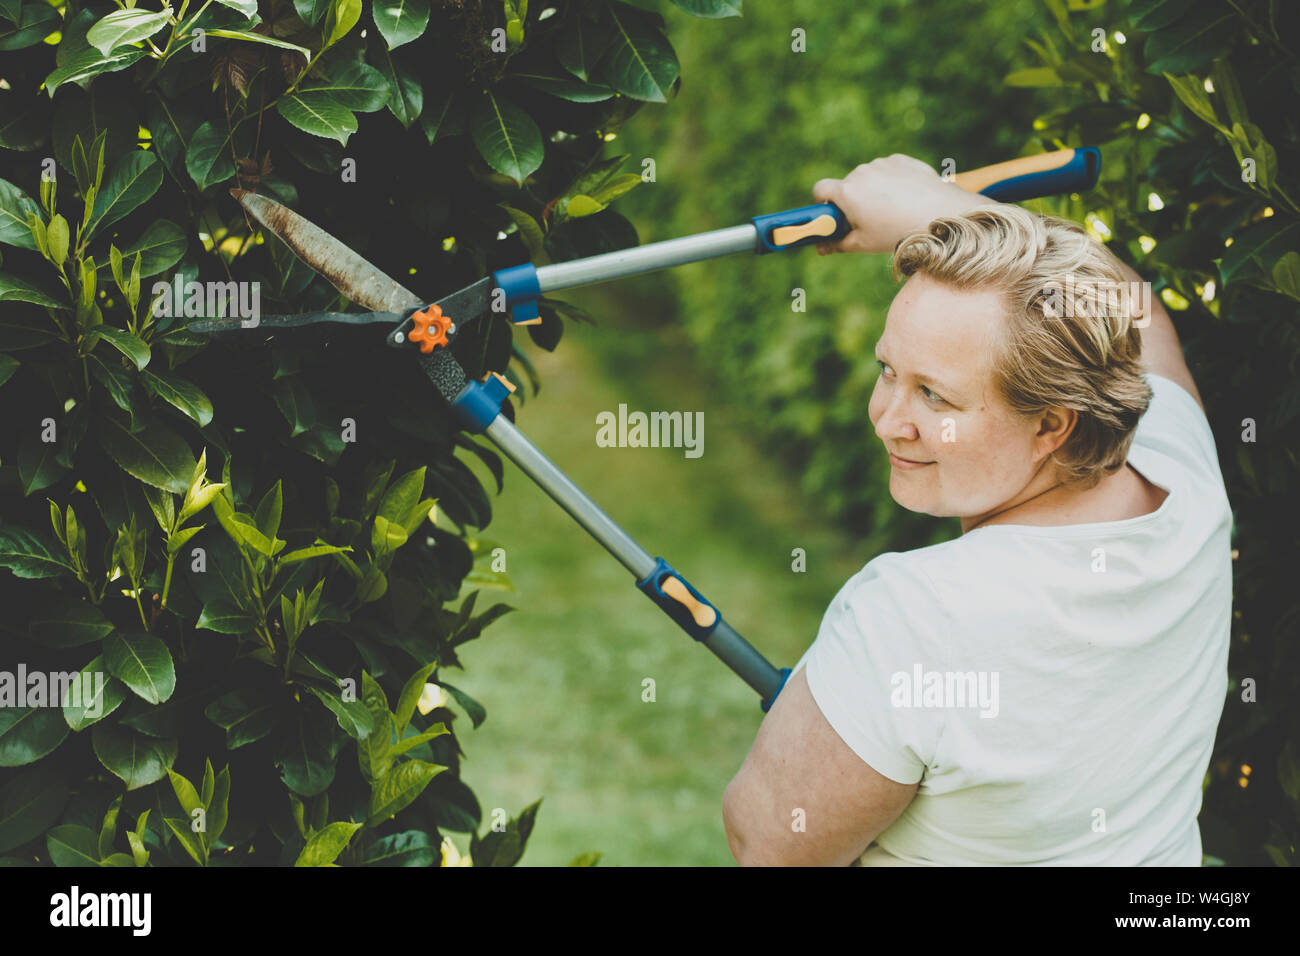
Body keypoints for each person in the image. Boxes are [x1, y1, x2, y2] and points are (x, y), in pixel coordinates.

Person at [721, 155, 1233, 866]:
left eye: (935, 395)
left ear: (1052, 425)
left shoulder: (911, 618)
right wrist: (933, 205)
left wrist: (938, 202)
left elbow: (768, 842)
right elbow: (1137, 311)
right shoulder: (1184, 479)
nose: (887, 420)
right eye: (888, 371)